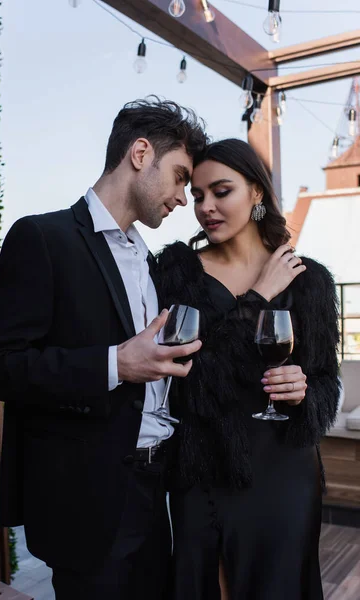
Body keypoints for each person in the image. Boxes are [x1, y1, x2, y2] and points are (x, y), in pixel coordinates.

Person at [0, 97, 208, 600]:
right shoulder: (42, 237)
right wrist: (115, 364)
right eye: (180, 177)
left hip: (157, 490)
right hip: (87, 504)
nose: (184, 198)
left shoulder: (153, 263)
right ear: (140, 153)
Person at [157, 138, 340, 600]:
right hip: (203, 470)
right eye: (197, 195)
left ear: (256, 192)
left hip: (283, 469)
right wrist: (257, 297)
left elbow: (325, 381)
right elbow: (189, 382)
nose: (206, 207)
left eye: (222, 192)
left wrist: (303, 392)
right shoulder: (177, 273)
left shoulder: (309, 279)